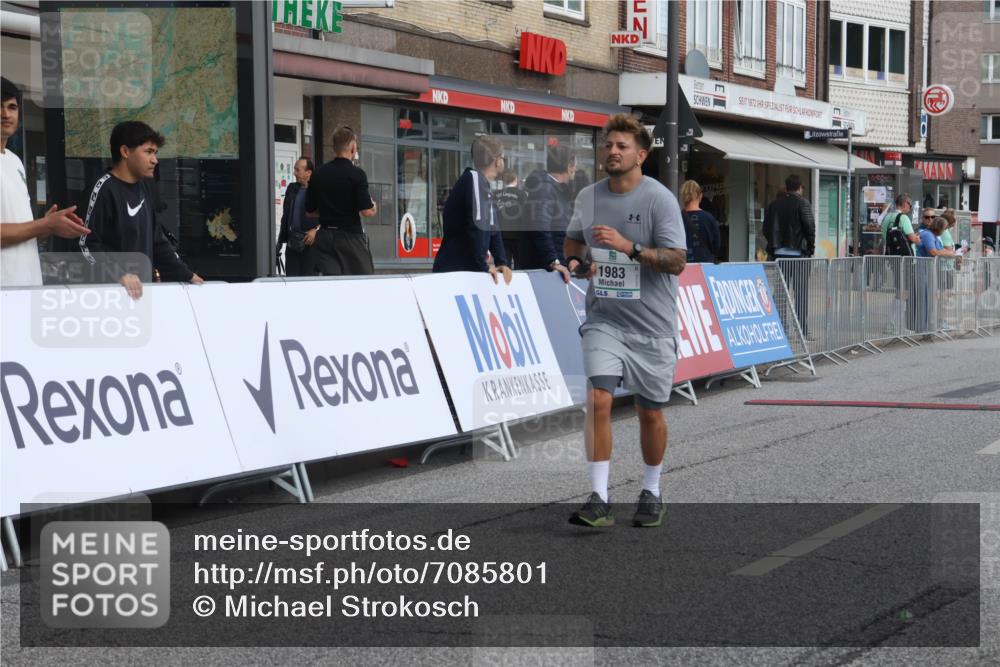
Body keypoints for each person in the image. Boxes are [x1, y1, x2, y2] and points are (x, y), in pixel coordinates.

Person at [562, 113, 686, 528]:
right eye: (608, 145)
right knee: (598, 399)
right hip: (605, 319)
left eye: (622, 146)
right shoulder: (589, 195)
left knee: (649, 412)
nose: (612, 152)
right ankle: (599, 496)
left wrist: (629, 248)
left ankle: (652, 488)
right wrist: (578, 263)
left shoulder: (660, 200)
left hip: (652, 324)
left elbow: (677, 262)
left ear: (641, 155)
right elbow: (573, 241)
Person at [78, 121, 202, 299]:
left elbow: (157, 242)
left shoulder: (144, 188)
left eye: (155, 153)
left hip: (142, 296)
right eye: (148, 152)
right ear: (125, 152)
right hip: (109, 299)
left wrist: (188, 275)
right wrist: (119, 274)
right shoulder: (102, 190)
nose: (155, 160)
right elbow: (85, 244)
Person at [0, 76, 90, 287]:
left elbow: (19, 233)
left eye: (12, 107)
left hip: (26, 287)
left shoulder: (14, 162)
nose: (6, 114)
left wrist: (47, 228)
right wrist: (44, 224)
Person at [432, 135, 512, 284]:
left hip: (465, 269)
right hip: (455, 270)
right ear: (497, 160)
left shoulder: (482, 185)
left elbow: (493, 228)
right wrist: (483, 264)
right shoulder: (474, 179)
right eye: (503, 157)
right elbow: (478, 225)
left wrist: (502, 261)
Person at [304, 126, 377, 275]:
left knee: (332, 283)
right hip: (350, 238)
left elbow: (309, 211)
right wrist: (374, 206)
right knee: (364, 281)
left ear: (334, 148)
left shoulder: (318, 173)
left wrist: (328, 209)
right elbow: (367, 211)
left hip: (324, 238)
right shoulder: (357, 174)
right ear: (352, 147)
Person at [763, 174, 815, 337]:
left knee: (780, 292)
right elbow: (809, 228)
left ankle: (780, 327)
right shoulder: (803, 203)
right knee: (800, 293)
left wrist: (774, 246)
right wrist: (810, 249)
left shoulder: (774, 205)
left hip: (779, 254)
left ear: (786, 188)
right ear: (799, 187)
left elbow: (766, 229)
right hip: (798, 254)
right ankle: (801, 330)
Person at [518, 144, 575, 282]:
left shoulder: (555, 189)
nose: (575, 170)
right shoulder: (545, 189)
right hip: (546, 271)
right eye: (574, 166)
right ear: (568, 167)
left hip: (554, 268)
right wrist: (553, 262)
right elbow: (540, 226)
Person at [880, 194, 921, 333]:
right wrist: (917, 239)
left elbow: (885, 237)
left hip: (893, 258)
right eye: (909, 205)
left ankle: (892, 324)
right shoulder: (903, 218)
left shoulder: (887, 218)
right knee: (904, 292)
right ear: (904, 204)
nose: (909, 208)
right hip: (906, 259)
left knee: (899, 290)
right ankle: (895, 325)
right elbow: (912, 238)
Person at [275, 157, 313, 277]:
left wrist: (316, 230)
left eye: (297, 170)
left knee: (309, 283)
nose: (294, 173)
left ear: (308, 173)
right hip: (293, 244)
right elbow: (285, 216)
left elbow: (328, 216)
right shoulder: (292, 188)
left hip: (310, 245)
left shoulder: (318, 190)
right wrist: (280, 241)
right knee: (292, 279)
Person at [679, 180, 721, 263]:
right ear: (700, 196)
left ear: (683, 197)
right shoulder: (709, 218)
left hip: (683, 266)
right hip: (705, 265)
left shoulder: (676, 218)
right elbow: (717, 245)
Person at [496, 169, 527, 268]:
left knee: (504, 265)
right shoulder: (521, 194)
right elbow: (526, 215)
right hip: (518, 235)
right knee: (519, 264)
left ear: (503, 180)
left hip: (501, 235)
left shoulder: (496, 195)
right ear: (516, 179)